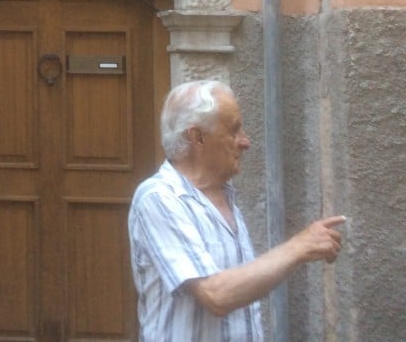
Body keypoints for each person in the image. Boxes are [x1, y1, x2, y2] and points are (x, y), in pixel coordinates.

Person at [127, 79, 345, 341]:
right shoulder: (159, 198)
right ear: (197, 137)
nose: (245, 142)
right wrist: (300, 246)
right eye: (234, 130)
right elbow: (216, 294)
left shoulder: (224, 195)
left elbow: (241, 291)